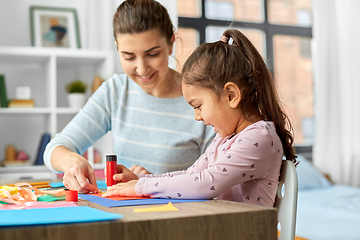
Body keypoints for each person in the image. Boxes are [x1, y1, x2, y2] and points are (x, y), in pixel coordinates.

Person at [103, 29, 297, 207]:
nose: (197, 116)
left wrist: (140, 187)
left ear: (231, 95)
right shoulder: (225, 138)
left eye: (198, 106)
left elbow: (206, 183)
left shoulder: (259, 138)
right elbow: (192, 176)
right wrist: (141, 181)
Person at [43, 0, 215, 194]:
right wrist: (72, 161)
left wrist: (150, 183)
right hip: (124, 216)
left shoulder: (201, 100)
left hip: (182, 218)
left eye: (152, 54)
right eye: (129, 57)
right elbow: (55, 149)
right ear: (117, 48)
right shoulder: (115, 91)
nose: (141, 69)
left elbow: (214, 181)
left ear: (171, 44)